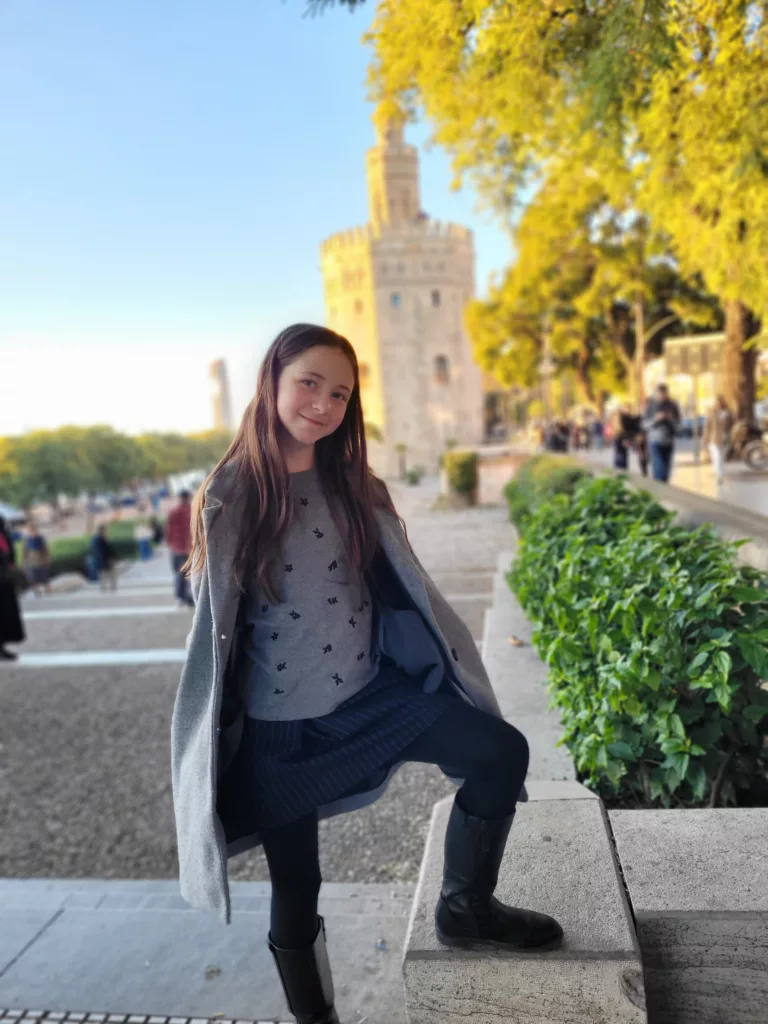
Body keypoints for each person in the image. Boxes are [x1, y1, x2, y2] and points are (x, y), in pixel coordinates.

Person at [170, 324, 562, 1024]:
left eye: (340, 392)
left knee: (501, 752)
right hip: (279, 732)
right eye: (309, 383)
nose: (322, 403)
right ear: (273, 383)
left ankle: (466, 909)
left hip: (370, 697)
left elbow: (395, 584)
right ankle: (316, 1018)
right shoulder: (229, 495)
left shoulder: (356, 484)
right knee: (299, 885)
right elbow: (213, 630)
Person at [643, 383, 681, 483]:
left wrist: (671, 419)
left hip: (668, 441)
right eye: (660, 393)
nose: (662, 396)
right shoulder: (650, 406)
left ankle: (663, 488)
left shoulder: (673, 405)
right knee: (659, 467)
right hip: (655, 441)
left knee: (666, 470)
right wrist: (656, 419)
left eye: (664, 393)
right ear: (656, 394)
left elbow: (678, 425)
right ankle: (659, 490)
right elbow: (644, 424)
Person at [0, 515, 25, 660]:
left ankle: (2, 645)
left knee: (6, 614)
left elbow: (10, 553)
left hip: (5, 578)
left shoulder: (4, 533)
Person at [166, 490, 194, 608]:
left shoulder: (173, 512)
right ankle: (191, 597)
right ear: (188, 497)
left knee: (179, 574)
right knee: (192, 574)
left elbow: (168, 530)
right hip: (190, 548)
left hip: (177, 548)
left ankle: (179, 597)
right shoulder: (192, 511)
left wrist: (171, 544)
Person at [703, 395, 734, 486]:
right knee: (717, 457)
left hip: (726, 439)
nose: (719, 404)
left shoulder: (728, 413)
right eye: (717, 403)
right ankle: (719, 476)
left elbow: (733, 426)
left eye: (720, 402)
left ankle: (719, 473)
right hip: (714, 439)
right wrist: (705, 438)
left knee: (721, 458)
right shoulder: (711, 413)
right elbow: (707, 426)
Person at [23, 523, 52, 596]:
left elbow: (45, 550)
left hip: (41, 561)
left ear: (36, 530)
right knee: (33, 578)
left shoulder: (40, 538)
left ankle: (47, 590)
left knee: (44, 577)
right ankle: (37, 591)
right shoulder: (27, 540)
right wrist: (24, 563)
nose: (32, 532)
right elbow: (25, 552)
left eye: (33, 530)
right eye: (30, 530)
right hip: (31, 562)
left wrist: (48, 559)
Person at [91, 525, 118, 592]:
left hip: (100, 561)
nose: (106, 531)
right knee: (111, 574)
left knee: (103, 575)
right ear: (102, 530)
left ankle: (104, 588)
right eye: (105, 530)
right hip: (104, 560)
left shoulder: (95, 538)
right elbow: (106, 550)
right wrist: (109, 560)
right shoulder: (100, 539)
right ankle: (111, 588)